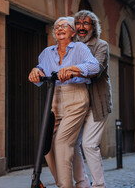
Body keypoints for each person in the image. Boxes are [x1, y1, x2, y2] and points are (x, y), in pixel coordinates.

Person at [28, 16, 100, 188]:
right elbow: (41, 71)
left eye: (64, 26)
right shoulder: (47, 53)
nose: (59, 28)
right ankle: (66, 184)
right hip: (54, 99)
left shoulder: (80, 48)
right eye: (57, 26)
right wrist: (35, 71)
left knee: (62, 143)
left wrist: (73, 70)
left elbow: (94, 66)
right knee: (48, 147)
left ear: (72, 32)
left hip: (75, 98)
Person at [72, 10, 113, 188]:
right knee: (70, 143)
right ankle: (82, 183)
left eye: (86, 23)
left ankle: (98, 185)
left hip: (97, 103)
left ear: (93, 27)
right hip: (76, 104)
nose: (81, 27)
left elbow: (96, 70)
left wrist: (71, 69)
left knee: (89, 145)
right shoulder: (71, 46)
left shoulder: (101, 46)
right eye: (78, 24)